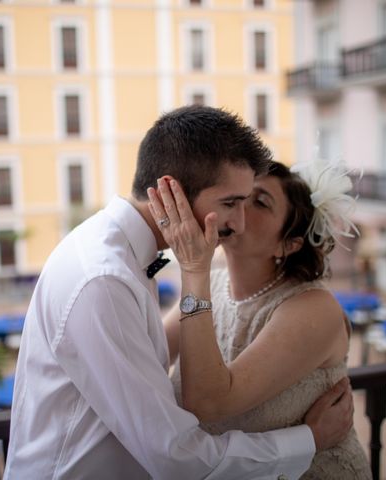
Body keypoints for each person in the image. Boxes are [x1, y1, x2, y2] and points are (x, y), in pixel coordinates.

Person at [4, 105, 354, 479]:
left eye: (252, 202)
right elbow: (175, 456)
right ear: (172, 192)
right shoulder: (103, 280)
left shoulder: (119, 259)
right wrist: (307, 439)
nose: (238, 220)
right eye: (231, 203)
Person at [152, 160, 371, 478]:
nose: (239, 207)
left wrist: (193, 268)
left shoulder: (314, 308)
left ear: (288, 244)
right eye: (238, 196)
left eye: (260, 201)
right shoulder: (211, 284)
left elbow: (208, 402)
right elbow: (148, 357)